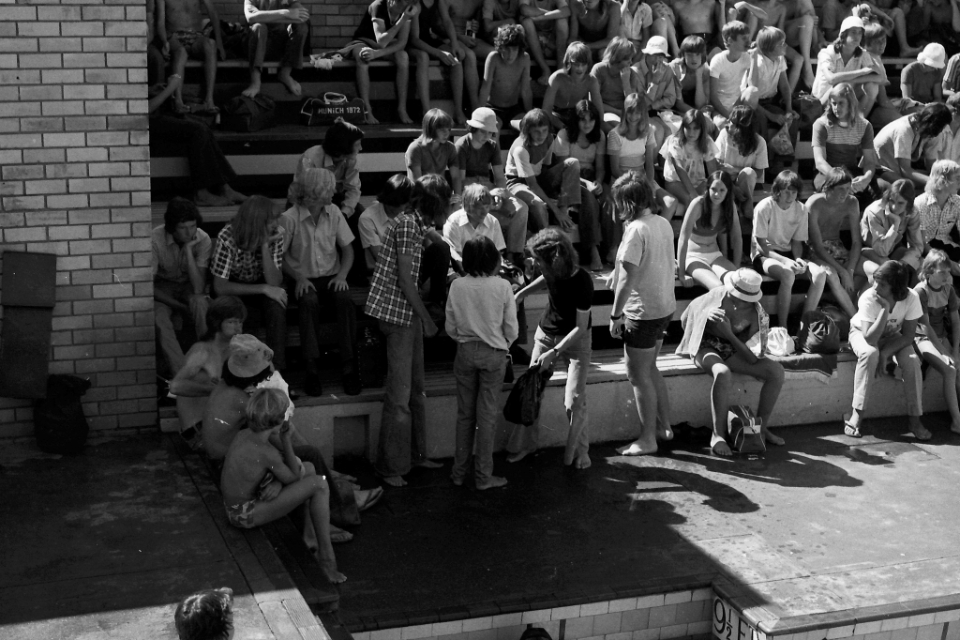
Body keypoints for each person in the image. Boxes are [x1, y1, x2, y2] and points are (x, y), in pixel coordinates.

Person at [365, 175, 447, 487]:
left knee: (416, 390)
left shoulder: (413, 224)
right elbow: (405, 280)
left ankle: (416, 455)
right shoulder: (407, 225)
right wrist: (426, 317)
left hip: (406, 314)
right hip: (396, 315)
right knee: (399, 396)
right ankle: (389, 467)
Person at [220, 388, 347, 583]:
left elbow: (290, 467)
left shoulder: (246, 434)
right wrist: (286, 439)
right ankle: (327, 561)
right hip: (243, 514)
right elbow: (294, 476)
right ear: (278, 420)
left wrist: (279, 481)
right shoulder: (264, 450)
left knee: (310, 467)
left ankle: (309, 537)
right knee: (319, 484)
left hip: (237, 506)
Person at [508, 227, 595, 466]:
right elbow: (544, 279)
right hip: (546, 334)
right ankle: (528, 445)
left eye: (538, 260)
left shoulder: (582, 281)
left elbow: (579, 328)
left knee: (574, 399)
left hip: (576, 342)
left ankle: (582, 452)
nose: (535, 264)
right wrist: (521, 294)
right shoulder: (552, 269)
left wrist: (554, 353)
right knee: (531, 393)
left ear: (554, 259)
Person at [676, 267, 786, 455]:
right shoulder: (715, 295)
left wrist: (728, 334)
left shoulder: (757, 314)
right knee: (723, 372)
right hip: (704, 346)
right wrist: (704, 317)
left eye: (740, 300)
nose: (734, 303)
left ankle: (760, 428)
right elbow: (685, 319)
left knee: (776, 371)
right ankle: (718, 435)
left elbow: (752, 358)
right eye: (733, 297)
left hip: (731, 347)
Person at [608, 173, 676, 456]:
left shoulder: (636, 229)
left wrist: (615, 315)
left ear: (628, 203)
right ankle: (664, 426)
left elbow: (628, 279)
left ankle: (648, 438)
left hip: (643, 312)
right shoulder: (661, 222)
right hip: (664, 308)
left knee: (638, 375)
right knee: (651, 368)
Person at [281, 165, 361, 397]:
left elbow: (347, 250)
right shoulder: (289, 218)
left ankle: (348, 366)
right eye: (329, 187)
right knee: (308, 303)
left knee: (345, 299)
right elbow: (280, 256)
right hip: (303, 278)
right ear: (317, 191)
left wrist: (342, 275)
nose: (334, 191)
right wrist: (298, 277)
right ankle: (311, 370)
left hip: (331, 275)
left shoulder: (334, 212)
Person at [446, 236, 518, 488]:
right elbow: (511, 328)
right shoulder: (502, 286)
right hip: (493, 352)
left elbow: (451, 326)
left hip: (464, 351)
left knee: (465, 415)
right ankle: (483, 477)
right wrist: (503, 344)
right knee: (486, 416)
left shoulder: (456, 285)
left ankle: (458, 474)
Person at [843, 260, 929, 440]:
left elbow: (908, 336)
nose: (875, 287)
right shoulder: (869, 297)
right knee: (869, 353)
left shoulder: (912, 297)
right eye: (875, 281)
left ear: (896, 288)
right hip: (861, 333)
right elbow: (869, 338)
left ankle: (915, 419)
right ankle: (856, 415)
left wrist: (886, 353)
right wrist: (885, 309)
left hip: (892, 337)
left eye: (882, 284)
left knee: (912, 361)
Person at [210, 195, 289, 376]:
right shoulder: (228, 236)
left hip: (259, 283)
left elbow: (274, 282)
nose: (277, 223)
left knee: (277, 306)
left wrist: (263, 246)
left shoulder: (276, 234)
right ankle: (246, 375)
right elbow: (220, 286)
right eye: (272, 220)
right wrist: (263, 289)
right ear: (257, 222)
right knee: (243, 313)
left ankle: (276, 373)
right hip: (233, 288)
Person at [148, 73, 247, 207]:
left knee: (203, 128)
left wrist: (155, 90)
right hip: (146, 124)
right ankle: (202, 193)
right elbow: (145, 110)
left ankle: (225, 188)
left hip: (157, 116)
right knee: (197, 130)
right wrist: (171, 88)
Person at [297, 118, 368, 286]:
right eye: (357, 145)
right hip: (308, 199)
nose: (361, 148)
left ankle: (356, 273)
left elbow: (353, 190)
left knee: (358, 215)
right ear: (342, 149)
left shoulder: (352, 160)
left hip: (337, 198)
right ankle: (304, 273)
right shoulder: (311, 157)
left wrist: (343, 213)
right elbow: (303, 192)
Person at [751, 170, 827, 327]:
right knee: (788, 274)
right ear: (778, 190)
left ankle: (805, 326)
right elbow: (761, 246)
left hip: (789, 254)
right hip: (764, 255)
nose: (790, 196)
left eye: (794, 192)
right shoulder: (764, 207)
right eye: (787, 191)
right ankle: (783, 326)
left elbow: (797, 242)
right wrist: (786, 261)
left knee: (820, 274)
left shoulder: (800, 209)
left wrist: (798, 258)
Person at [170, 296, 246, 445]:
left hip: (219, 425)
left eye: (240, 322)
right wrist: (214, 390)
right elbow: (175, 386)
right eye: (232, 322)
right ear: (217, 323)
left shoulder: (234, 351)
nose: (238, 328)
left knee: (269, 424)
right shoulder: (202, 351)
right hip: (197, 432)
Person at [153, 198, 212, 379]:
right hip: (162, 287)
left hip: (189, 285)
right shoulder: (154, 239)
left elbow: (198, 288)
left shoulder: (202, 239)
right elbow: (148, 286)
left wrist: (188, 251)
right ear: (172, 227)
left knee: (202, 304)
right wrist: (178, 307)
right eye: (182, 227)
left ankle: (209, 367)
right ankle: (182, 376)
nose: (189, 232)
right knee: (160, 319)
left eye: (192, 226)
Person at [505, 108, 583, 232]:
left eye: (544, 131)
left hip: (539, 176)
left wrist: (557, 197)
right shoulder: (521, 149)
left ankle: (564, 212)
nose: (541, 135)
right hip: (518, 182)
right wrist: (555, 210)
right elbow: (532, 185)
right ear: (528, 131)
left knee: (572, 163)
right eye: (536, 132)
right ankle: (547, 234)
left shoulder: (550, 139)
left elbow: (546, 166)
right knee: (538, 204)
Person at [554, 99, 605, 269]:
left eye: (591, 119)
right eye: (583, 119)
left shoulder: (599, 136)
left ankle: (613, 249)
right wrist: (588, 184)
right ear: (576, 120)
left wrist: (597, 181)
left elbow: (600, 168)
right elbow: (565, 169)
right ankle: (593, 250)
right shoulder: (564, 135)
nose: (587, 124)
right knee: (589, 199)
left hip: (590, 178)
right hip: (569, 180)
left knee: (610, 202)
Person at [804, 167, 862, 319]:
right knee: (832, 274)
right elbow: (817, 246)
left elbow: (856, 241)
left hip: (838, 247)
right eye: (841, 189)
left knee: (872, 271)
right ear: (828, 187)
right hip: (816, 250)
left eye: (848, 189)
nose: (845, 193)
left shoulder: (852, 202)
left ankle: (868, 316)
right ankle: (855, 319)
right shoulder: (814, 203)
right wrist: (843, 272)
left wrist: (849, 269)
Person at [408, 0, 478, 124]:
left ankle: (458, 111)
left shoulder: (437, 1)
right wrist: (438, 53)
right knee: (424, 57)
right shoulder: (416, 5)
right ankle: (426, 110)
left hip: (429, 41)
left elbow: (447, 21)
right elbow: (414, 39)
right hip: (413, 44)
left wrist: (455, 44)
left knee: (455, 60)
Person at [913, 249, 960, 434]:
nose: (947, 276)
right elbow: (925, 327)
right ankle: (957, 421)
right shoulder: (920, 291)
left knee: (958, 368)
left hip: (941, 337)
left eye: (948, 272)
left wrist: (955, 350)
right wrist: (944, 353)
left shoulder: (948, 290)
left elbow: (956, 321)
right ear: (929, 271)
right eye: (942, 272)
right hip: (923, 338)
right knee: (949, 370)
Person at [350, 0, 420, 124]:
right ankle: (367, 109)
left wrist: (377, 54)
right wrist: (403, 19)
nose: (401, 7)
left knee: (403, 56)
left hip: (382, 48)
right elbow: (381, 41)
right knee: (363, 57)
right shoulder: (378, 6)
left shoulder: (407, 11)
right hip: (364, 41)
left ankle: (402, 109)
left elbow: (402, 43)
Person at [676, 170, 743, 290]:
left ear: (728, 191)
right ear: (708, 188)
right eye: (714, 189)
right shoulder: (697, 204)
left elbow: (737, 237)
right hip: (693, 256)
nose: (717, 194)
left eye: (722, 190)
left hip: (715, 255)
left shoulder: (729, 206)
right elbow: (683, 239)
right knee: (718, 287)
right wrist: (682, 274)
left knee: (737, 284)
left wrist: (736, 267)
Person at [157, 0, 224, 114]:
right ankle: (178, 101)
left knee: (210, 44)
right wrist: (164, 42)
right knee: (181, 52)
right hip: (174, 35)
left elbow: (213, 13)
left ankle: (209, 100)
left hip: (196, 34)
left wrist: (219, 43)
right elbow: (160, 21)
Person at [811, 83, 879, 195]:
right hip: (827, 173)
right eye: (834, 103)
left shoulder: (865, 126)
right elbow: (820, 162)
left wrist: (866, 178)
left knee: (881, 187)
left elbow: (870, 161)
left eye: (841, 103)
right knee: (838, 192)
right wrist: (842, 180)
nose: (836, 108)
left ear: (850, 104)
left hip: (851, 170)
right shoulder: (821, 125)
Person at [741, 26, 796, 163]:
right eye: (781, 44)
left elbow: (784, 86)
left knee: (791, 119)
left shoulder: (780, 58)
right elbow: (751, 97)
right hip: (754, 105)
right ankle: (763, 163)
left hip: (770, 101)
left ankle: (784, 160)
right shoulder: (758, 63)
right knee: (761, 121)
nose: (786, 46)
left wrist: (789, 108)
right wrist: (771, 115)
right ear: (770, 47)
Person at [810, 16, 883, 117]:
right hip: (822, 102)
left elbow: (879, 77)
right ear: (844, 34)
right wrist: (861, 72)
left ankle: (857, 123)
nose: (857, 36)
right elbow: (831, 79)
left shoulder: (863, 54)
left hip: (845, 97)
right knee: (843, 86)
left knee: (872, 86)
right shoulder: (826, 52)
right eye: (853, 32)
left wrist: (853, 81)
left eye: (859, 33)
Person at [239, 0, 310, 99]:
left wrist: (264, 17)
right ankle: (255, 82)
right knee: (259, 26)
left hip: (279, 46)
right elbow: (251, 17)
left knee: (301, 27)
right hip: (257, 45)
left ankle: (285, 73)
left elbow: (303, 16)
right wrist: (285, 13)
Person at [874, 103, 952, 190]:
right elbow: (906, 171)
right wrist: (934, 182)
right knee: (906, 187)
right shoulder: (903, 130)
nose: (931, 136)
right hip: (880, 167)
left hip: (898, 169)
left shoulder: (935, 131)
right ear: (926, 120)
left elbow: (931, 166)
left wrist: (944, 179)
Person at [660, 108, 720, 215]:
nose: (691, 132)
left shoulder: (706, 141)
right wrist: (693, 193)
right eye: (688, 128)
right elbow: (679, 169)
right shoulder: (675, 141)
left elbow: (712, 171)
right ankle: (691, 230)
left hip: (698, 180)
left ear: (702, 129)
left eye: (696, 128)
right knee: (691, 201)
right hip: (675, 182)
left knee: (710, 199)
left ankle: (711, 229)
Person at [860, 179, 923, 280]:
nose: (894, 207)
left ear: (909, 203)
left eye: (900, 203)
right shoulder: (875, 211)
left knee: (921, 264)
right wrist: (895, 224)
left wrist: (904, 262)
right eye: (892, 201)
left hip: (894, 249)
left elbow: (917, 246)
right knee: (890, 269)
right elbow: (881, 251)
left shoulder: (912, 212)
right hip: (870, 250)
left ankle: (913, 294)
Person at [715, 105, 767, 221]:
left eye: (732, 121)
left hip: (747, 182)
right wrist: (732, 187)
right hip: (726, 180)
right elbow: (717, 165)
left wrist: (735, 169)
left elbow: (758, 172)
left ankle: (745, 205)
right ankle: (742, 210)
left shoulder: (760, 142)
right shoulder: (724, 134)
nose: (728, 123)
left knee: (748, 172)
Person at [541, 41, 606, 131]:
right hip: (556, 114)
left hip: (578, 115)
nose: (580, 68)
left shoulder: (591, 80)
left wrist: (595, 127)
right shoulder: (557, 78)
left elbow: (599, 112)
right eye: (576, 64)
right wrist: (564, 128)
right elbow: (546, 111)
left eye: (583, 64)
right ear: (569, 63)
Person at [478, 24, 535, 126]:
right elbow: (485, 88)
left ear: (519, 49)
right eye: (506, 49)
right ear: (500, 47)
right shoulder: (493, 58)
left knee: (528, 126)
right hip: (493, 108)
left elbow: (526, 90)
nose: (510, 54)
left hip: (514, 109)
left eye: (514, 50)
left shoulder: (524, 58)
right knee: (493, 128)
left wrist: (530, 113)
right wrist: (479, 114)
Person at [358, 174, 415, 271]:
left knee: (439, 248)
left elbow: (430, 238)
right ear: (394, 202)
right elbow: (381, 257)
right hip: (386, 270)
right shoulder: (368, 218)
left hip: (412, 263)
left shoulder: (410, 211)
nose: (409, 206)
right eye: (406, 203)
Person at [632, 35, 677, 148]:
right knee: (658, 130)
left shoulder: (667, 70)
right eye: (655, 55)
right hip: (637, 114)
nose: (658, 59)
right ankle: (649, 164)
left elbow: (671, 99)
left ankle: (662, 165)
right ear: (647, 54)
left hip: (654, 112)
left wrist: (653, 106)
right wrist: (655, 81)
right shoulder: (635, 72)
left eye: (661, 56)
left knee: (668, 132)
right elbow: (640, 105)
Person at [406, 108, 463, 194]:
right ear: (431, 128)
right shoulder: (415, 148)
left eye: (448, 130)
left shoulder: (450, 147)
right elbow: (416, 183)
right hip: (421, 196)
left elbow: (456, 177)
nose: (447, 134)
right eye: (442, 130)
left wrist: (457, 202)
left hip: (442, 194)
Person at [709, 20, 752, 129]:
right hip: (720, 108)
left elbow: (750, 86)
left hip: (739, 104)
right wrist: (728, 115)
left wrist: (737, 109)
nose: (748, 41)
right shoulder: (718, 61)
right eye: (744, 38)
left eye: (748, 37)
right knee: (722, 125)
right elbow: (713, 96)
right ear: (730, 40)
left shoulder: (747, 58)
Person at [915, 159, 960, 259]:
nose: (959, 182)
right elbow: (921, 242)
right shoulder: (921, 203)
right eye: (957, 178)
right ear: (943, 180)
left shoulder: (957, 202)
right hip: (925, 251)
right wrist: (945, 262)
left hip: (947, 247)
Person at [591, 36, 642, 122]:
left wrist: (626, 82)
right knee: (616, 124)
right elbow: (594, 102)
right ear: (617, 57)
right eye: (627, 59)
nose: (631, 62)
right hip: (604, 113)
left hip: (626, 115)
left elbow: (632, 105)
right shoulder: (599, 69)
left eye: (631, 58)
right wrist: (617, 112)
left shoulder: (631, 74)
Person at [520, 0, 571, 83]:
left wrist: (542, 17)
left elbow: (566, 11)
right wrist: (555, 13)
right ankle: (545, 70)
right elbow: (524, 9)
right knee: (526, 22)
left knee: (562, 22)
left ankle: (560, 70)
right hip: (533, 37)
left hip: (552, 38)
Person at [669, 35, 711, 113]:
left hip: (692, 106)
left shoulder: (705, 70)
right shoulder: (676, 67)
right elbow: (679, 104)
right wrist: (698, 115)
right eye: (690, 55)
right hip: (672, 107)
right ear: (683, 55)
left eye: (697, 54)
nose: (694, 59)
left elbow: (701, 105)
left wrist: (698, 76)